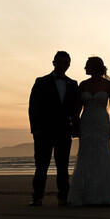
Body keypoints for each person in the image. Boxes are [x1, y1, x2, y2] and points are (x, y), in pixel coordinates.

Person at [67, 56, 110, 206]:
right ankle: (86, 193)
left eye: (87, 65)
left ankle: (107, 192)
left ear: (95, 67)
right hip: (86, 121)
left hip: (101, 121)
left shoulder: (108, 85)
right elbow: (78, 107)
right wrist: (75, 124)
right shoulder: (83, 84)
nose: (85, 68)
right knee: (86, 153)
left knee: (103, 151)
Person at [28, 51, 81, 206]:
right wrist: (35, 129)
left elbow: (76, 107)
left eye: (66, 62)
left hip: (64, 131)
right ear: (53, 63)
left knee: (63, 166)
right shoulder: (41, 82)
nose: (62, 65)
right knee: (41, 166)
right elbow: (33, 107)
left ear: (69, 65)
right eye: (60, 62)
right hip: (43, 131)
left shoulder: (73, 84)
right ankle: (37, 197)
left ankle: (63, 197)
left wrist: (75, 125)